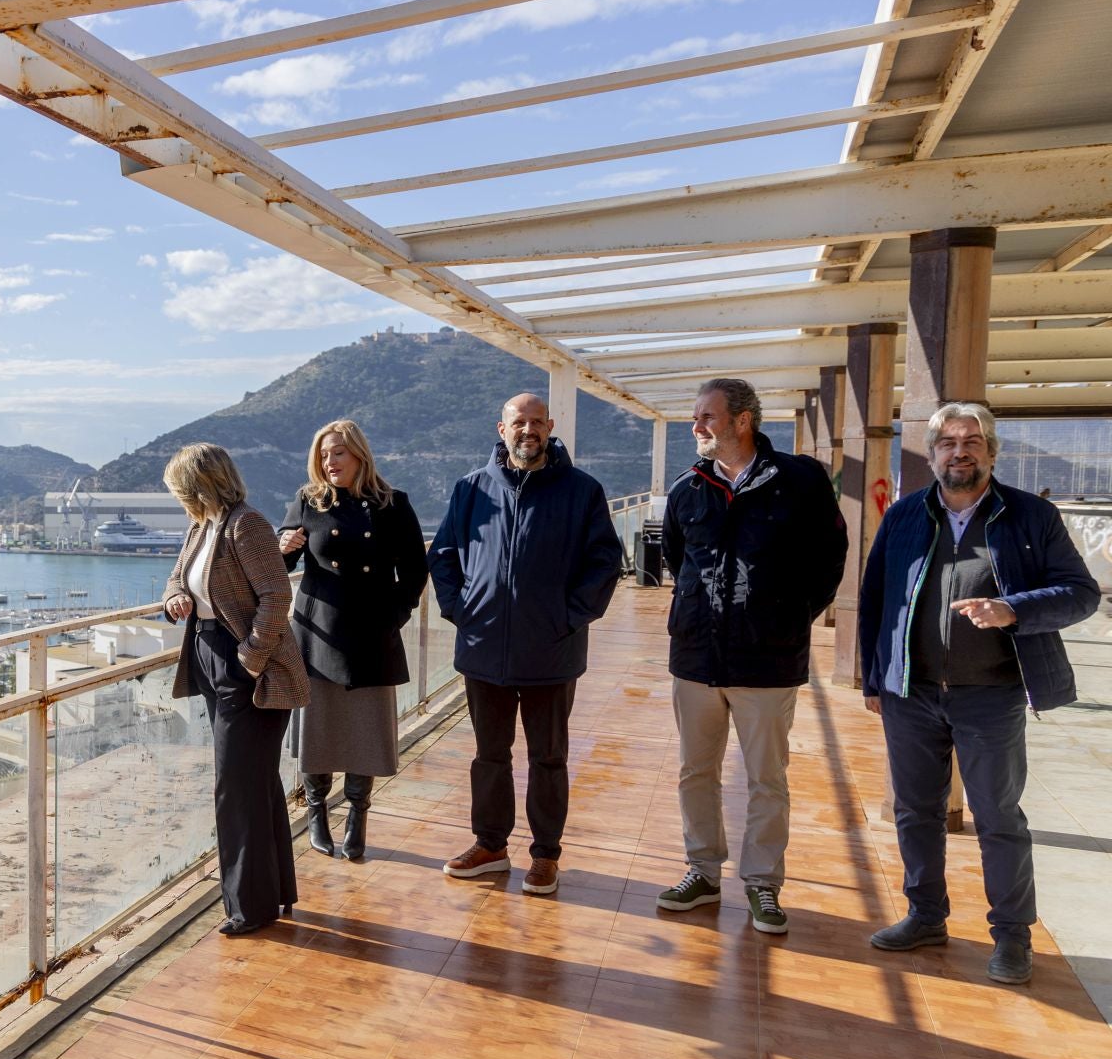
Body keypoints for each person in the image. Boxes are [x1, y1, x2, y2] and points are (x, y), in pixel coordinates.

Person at [859, 402, 1099, 984]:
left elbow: (1080, 593)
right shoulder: (906, 515)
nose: (959, 450)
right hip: (910, 693)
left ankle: (1013, 936)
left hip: (991, 696)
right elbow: (875, 598)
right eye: (947, 441)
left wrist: (1012, 609)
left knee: (998, 817)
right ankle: (925, 916)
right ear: (932, 452)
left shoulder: (1030, 516)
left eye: (972, 441)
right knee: (915, 810)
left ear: (992, 451)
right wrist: (875, 676)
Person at [659, 377, 846, 934]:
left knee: (767, 777)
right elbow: (676, 558)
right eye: (696, 418)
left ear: (743, 420)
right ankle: (703, 871)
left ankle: (763, 883)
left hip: (767, 661)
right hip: (696, 658)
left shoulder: (800, 480)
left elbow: (828, 560)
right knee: (696, 771)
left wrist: (786, 620)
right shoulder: (688, 489)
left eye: (706, 417)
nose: (697, 428)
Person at [429, 394, 621, 895]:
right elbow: (444, 556)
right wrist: (460, 610)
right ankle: (490, 846)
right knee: (489, 756)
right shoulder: (472, 489)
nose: (528, 430)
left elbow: (604, 562)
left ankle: (545, 855)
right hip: (483, 649)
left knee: (549, 759)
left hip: (552, 653)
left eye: (537, 422)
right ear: (502, 429)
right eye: (519, 422)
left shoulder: (581, 490)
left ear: (550, 427)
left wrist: (568, 618)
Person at [163, 443, 310, 936]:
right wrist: (177, 596)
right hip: (209, 656)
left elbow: (276, 595)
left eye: (180, 489)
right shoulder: (201, 525)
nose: (179, 498)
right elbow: (175, 578)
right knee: (255, 784)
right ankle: (272, 894)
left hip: (246, 665)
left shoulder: (246, 524)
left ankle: (248, 907)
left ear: (198, 484)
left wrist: (249, 658)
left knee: (236, 788)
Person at [278, 420, 428, 861]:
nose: (330, 462)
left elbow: (416, 570)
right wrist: (284, 546)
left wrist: (395, 617)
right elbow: (280, 568)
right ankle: (319, 814)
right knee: (318, 728)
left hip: (372, 632)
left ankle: (358, 815)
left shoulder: (392, 504)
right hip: (318, 632)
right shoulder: (309, 501)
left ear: (359, 454)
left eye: (338, 453)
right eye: (324, 455)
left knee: (366, 729)